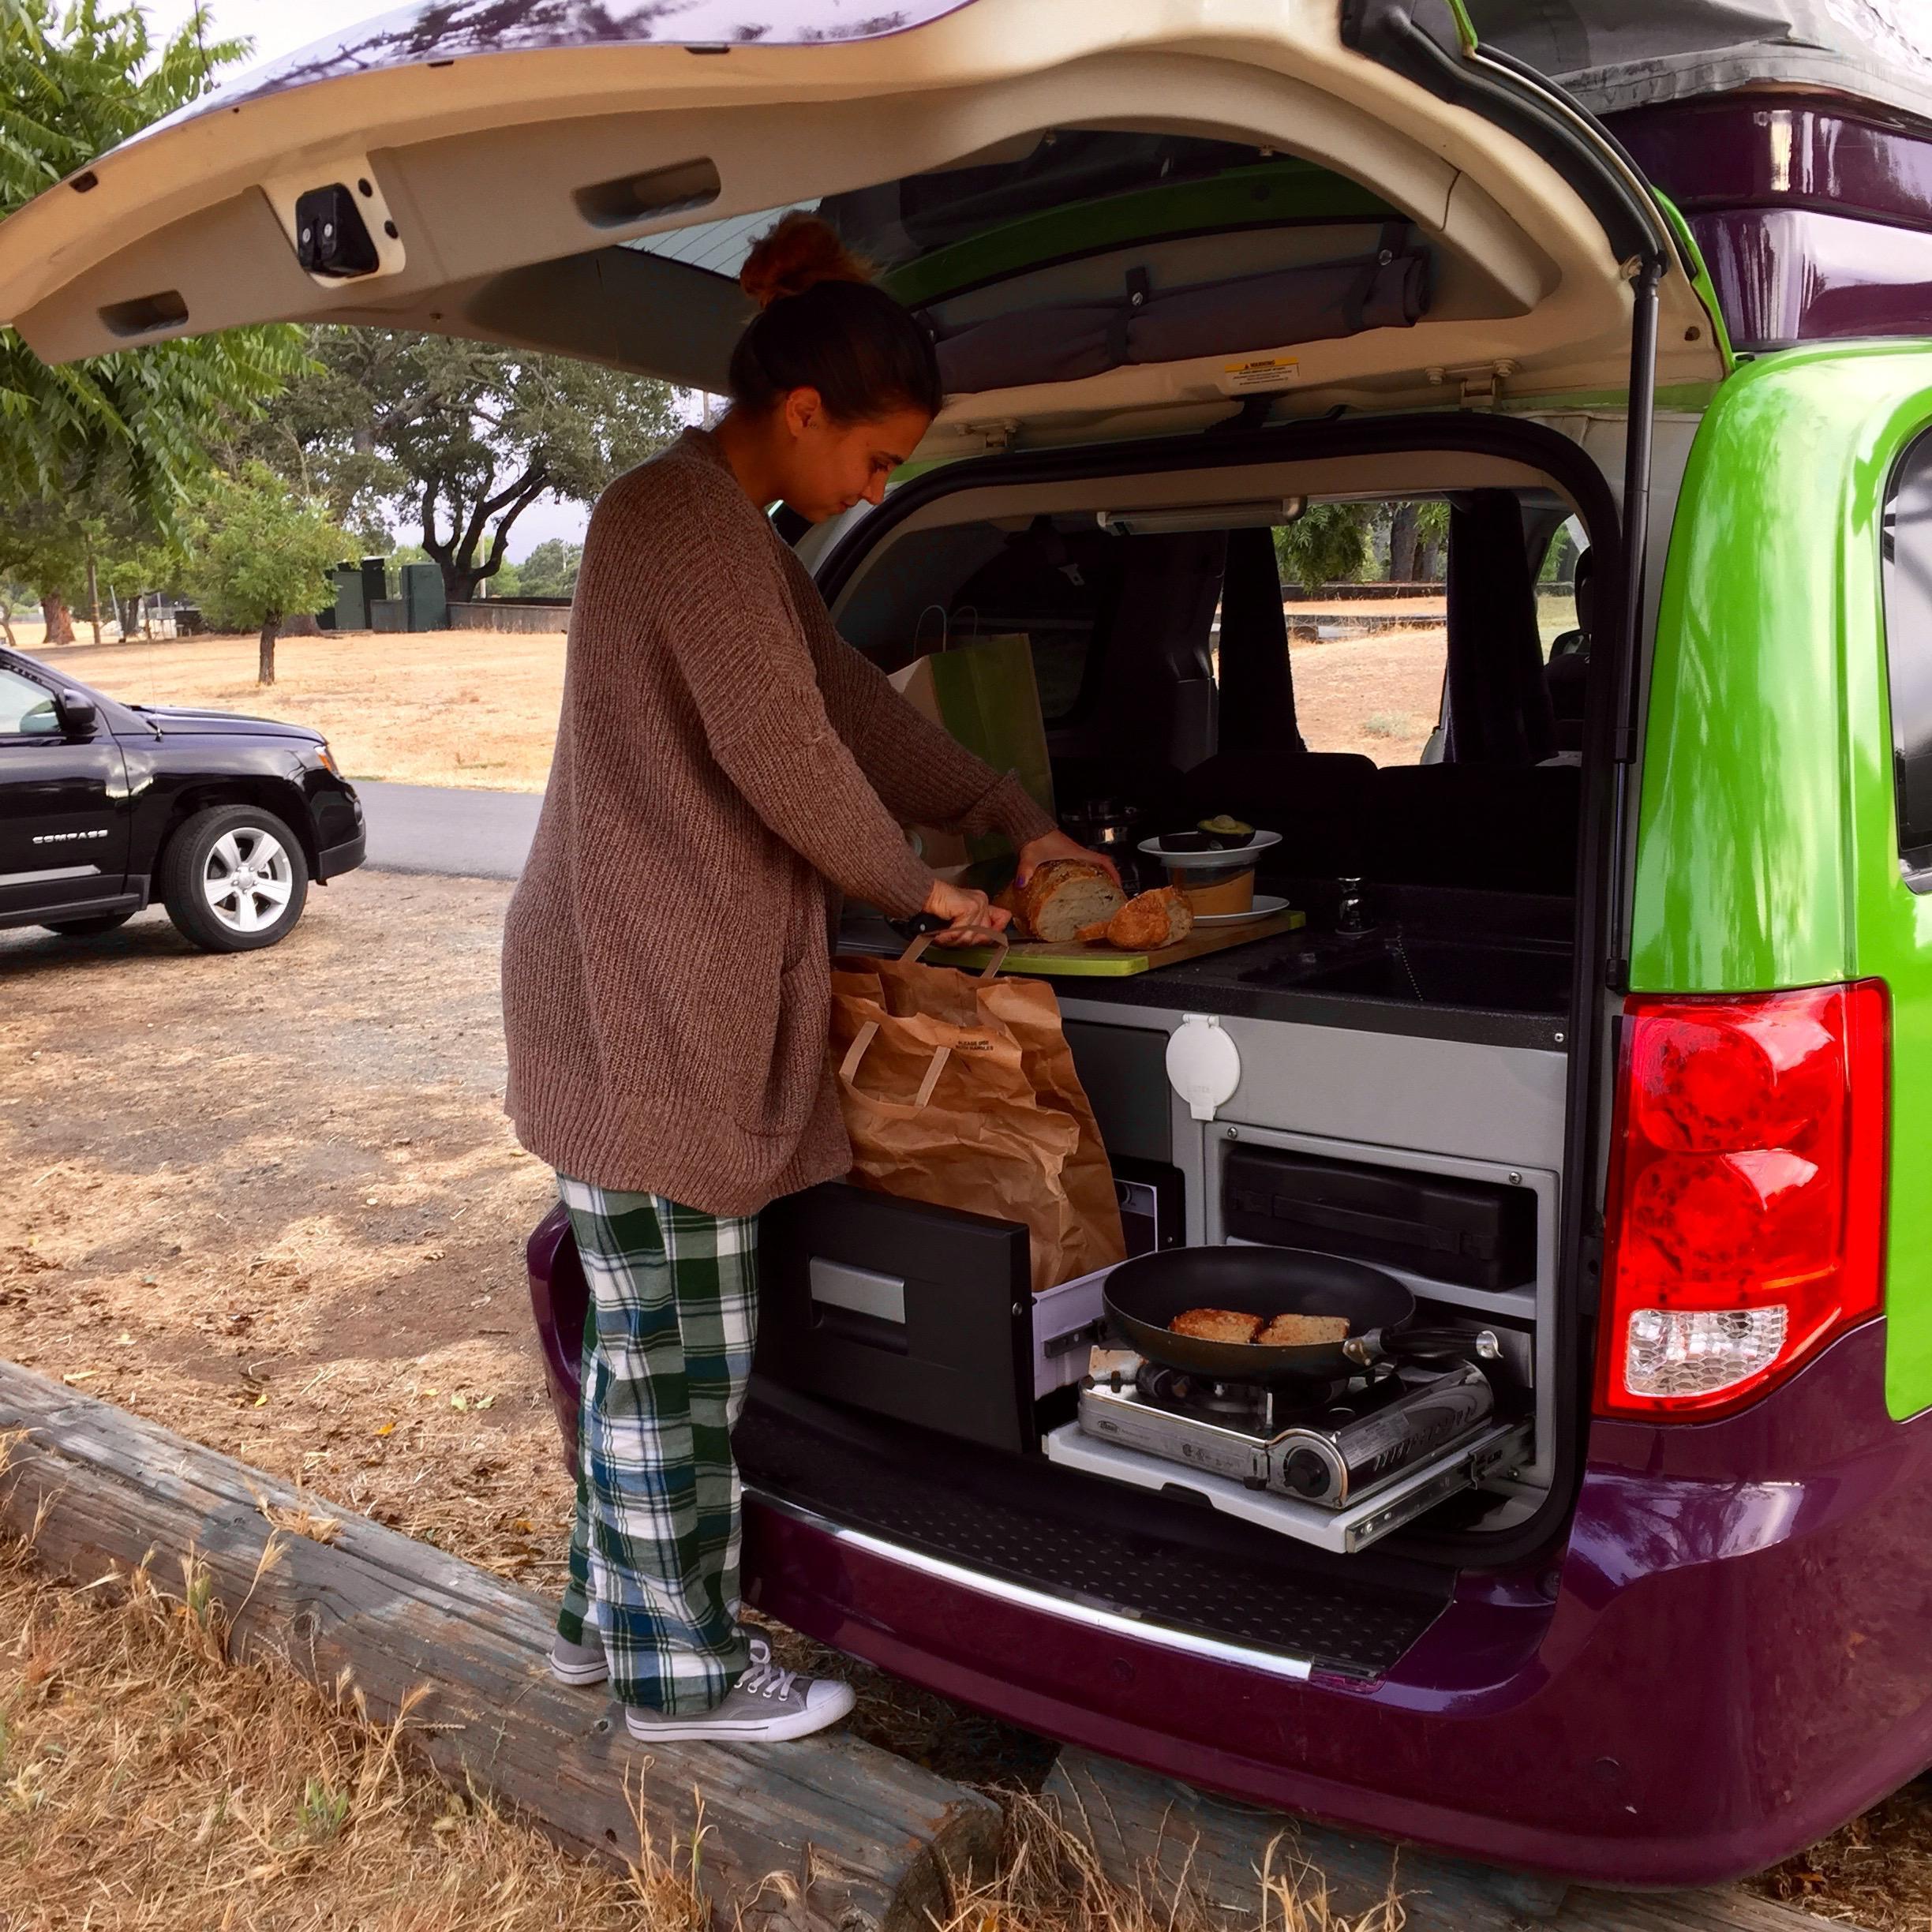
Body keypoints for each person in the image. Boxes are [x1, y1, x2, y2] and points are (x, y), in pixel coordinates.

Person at [500, 212, 1117, 1744]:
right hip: (642, 1000)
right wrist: (924, 887)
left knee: (652, 1336)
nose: (881, 491)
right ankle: (681, 1676)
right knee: (680, 1359)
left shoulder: (731, 541)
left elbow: (853, 711)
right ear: (800, 416)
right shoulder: (685, 526)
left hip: (631, 985)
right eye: (880, 459)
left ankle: (605, 1622)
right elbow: (789, 761)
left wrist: (1008, 813)